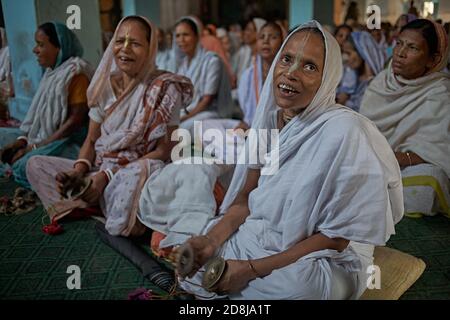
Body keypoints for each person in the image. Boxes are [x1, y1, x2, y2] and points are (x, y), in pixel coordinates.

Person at [176, 20, 403, 300]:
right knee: (197, 258)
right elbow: (246, 200)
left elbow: (336, 239)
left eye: (309, 67)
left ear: (328, 78)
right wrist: (210, 242)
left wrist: (250, 269)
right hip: (265, 234)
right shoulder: (269, 124)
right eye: (287, 59)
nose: (291, 73)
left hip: (323, 255)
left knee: (298, 290)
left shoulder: (344, 131)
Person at [26, 16, 193, 237]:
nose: (124, 49)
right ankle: (94, 200)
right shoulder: (103, 86)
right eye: (119, 41)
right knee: (35, 164)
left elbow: (164, 150)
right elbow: (92, 140)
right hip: (101, 167)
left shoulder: (165, 88)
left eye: (134, 43)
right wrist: (78, 172)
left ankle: (98, 203)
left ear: (150, 48)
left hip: (136, 170)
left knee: (137, 176)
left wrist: (108, 176)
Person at [361, 19, 450, 219]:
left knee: (430, 180)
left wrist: (390, 157)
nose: (400, 53)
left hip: (408, 167)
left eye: (412, 48)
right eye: (399, 43)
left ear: (432, 59)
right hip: (373, 160)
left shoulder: (439, 92)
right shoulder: (382, 82)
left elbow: (437, 150)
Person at [0, 22, 92, 188]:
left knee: (24, 166)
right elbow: (37, 120)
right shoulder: (52, 73)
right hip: (45, 137)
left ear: (59, 47)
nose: (35, 50)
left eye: (41, 45)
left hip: (67, 141)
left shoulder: (75, 73)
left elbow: (74, 123)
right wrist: (20, 142)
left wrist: (34, 147)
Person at [170, 16, 233, 133]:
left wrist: (183, 118)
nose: (181, 40)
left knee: (178, 131)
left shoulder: (211, 61)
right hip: (187, 112)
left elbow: (206, 100)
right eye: (178, 36)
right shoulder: (183, 65)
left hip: (209, 112)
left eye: (186, 35)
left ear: (196, 37)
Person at [237, 22, 284, 128]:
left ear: (282, 43)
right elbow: (246, 109)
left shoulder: (286, 76)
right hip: (251, 125)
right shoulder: (248, 75)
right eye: (261, 37)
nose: (266, 41)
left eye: (273, 37)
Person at [339, 31, 386, 111]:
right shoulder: (350, 75)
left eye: (349, 53)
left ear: (363, 53)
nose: (346, 58)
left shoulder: (379, 82)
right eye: (344, 53)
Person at [232, 18, 267, 83]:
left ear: (258, 32)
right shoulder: (243, 52)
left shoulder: (265, 57)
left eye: (249, 30)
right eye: (246, 29)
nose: (245, 32)